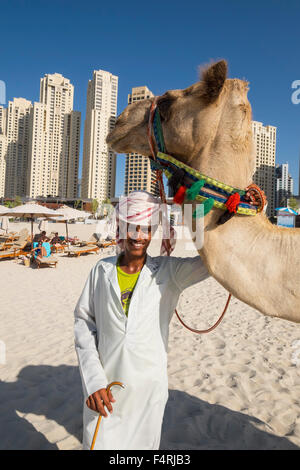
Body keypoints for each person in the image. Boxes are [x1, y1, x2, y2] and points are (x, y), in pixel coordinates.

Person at [74, 191, 210, 450]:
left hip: (148, 393)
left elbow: (210, 263)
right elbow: (83, 324)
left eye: (146, 228)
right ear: (121, 228)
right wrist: (93, 382)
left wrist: (193, 211)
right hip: (105, 390)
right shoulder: (100, 271)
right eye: (132, 227)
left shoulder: (170, 272)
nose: (138, 236)